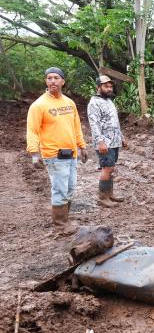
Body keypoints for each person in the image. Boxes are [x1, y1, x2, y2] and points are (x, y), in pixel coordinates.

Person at [26, 67, 88, 234]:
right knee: (59, 188)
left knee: (70, 187)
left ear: (63, 81)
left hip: (71, 153)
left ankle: (65, 219)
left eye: (56, 78)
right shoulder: (39, 105)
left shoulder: (69, 103)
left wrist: (82, 146)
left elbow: (76, 126)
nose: (52, 81)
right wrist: (34, 152)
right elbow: (32, 130)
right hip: (53, 154)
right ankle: (60, 224)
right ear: (46, 81)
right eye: (49, 78)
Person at [87, 75, 127, 207]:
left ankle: (110, 194)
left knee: (111, 168)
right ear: (98, 87)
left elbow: (114, 122)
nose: (109, 89)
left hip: (114, 141)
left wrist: (121, 137)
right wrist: (100, 142)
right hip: (105, 143)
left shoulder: (109, 101)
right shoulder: (94, 103)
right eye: (106, 86)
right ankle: (102, 198)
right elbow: (94, 125)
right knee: (107, 168)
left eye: (110, 86)